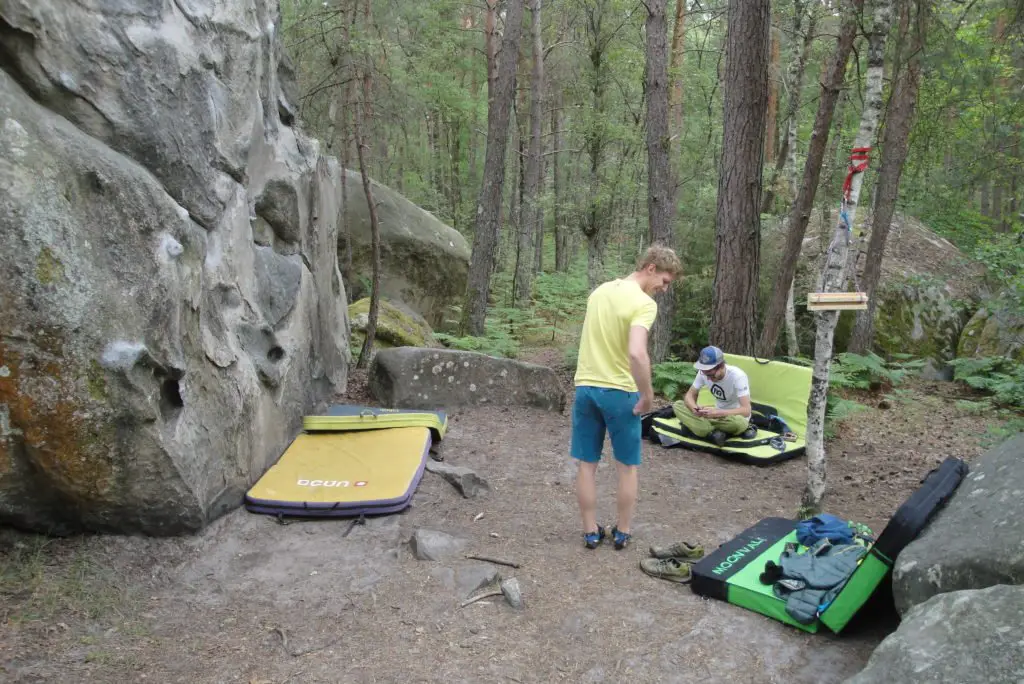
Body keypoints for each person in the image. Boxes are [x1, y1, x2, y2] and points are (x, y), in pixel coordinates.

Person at [571, 245, 682, 550]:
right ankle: (622, 531)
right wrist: (647, 396)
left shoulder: (599, 292)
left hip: (585, 388)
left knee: (586, 464)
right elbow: (636, 352)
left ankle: (590, 531)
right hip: (620, 392)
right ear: (650, 268)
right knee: (627, 467)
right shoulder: (643, 303)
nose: (663, 288)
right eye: (665, 280)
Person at [673, 345, 757, 446]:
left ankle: (700, 429)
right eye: (705, 374)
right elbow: (689, 396)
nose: (708, 379)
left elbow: (746, 410)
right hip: (713, 416)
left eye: (711, 375)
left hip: (732, 417)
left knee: (740, 423)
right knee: (677, 405)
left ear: (721, 366)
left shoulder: (738, 376)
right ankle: (713, 433)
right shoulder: (703, 373)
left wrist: (718, 413)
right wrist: (694, 409)